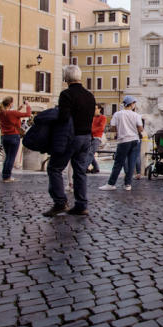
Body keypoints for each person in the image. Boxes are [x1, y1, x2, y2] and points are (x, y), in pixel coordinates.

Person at [43, 65, 95, 217]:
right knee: (80, 172)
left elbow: (64, 117)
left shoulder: (66, 94)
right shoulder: (89, 95)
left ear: (66, 78)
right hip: (86, 138)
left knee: (54, 168)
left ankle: (60, 203)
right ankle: (81, 205)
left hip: (71, 137)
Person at [99, 96, 143, 191]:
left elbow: (113, 128)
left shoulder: (117, 114)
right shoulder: (136, 115)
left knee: (118, 163)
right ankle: (128, 184)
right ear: (131, 104)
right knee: (132, 163)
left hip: (123, 140)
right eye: (134, 103)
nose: (134, 105)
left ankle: (111, 184)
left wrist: (120, 129)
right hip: (135, 140)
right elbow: (140, 129)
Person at [0, 97, 31, 182]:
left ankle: (5, 176)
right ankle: (7, 177)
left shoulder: (0, 113)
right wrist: (27, 105)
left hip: (5, 137)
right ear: (10, 104)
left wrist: (19, 108)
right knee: (11, 158)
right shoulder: (12, 113)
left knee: (7, 157)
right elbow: (28, 114)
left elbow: (10, 115)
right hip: (14, 136)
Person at [88, 106, 106, 174]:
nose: (94, 110)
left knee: (90, 152)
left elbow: (101, 128)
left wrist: (91, 131)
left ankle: (84, 167)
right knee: (89, 152)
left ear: (99, 109)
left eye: (95, 108)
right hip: (90, 137)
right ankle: (96, 168)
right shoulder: (91, 117)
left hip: (97, 137)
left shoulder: (102, 117)